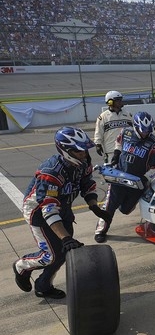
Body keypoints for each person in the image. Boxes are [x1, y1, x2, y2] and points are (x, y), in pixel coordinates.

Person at [12, 127, 112, 299]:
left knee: (64, 252)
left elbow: (87, 184)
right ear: (66, 151)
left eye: (84, 150)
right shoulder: (51, 172)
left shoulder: (83, 163)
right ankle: (22, 266)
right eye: (79, 151)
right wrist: (65, 238)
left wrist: (94, 206)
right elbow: (48, 208)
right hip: (39, 212)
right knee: (51, 255)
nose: (84, 154)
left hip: (63, 207)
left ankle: (43, 286)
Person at [94, 111, 155, 243]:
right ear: (135, 127)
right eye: (143, 131)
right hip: (119, 177)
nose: (145, 133)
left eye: (148, 131)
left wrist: (146, 178)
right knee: (109, 205)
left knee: (126, 210)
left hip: (137, 182)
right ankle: (101, 230)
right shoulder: (125, 132)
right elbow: (118, 143)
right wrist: (116, 154)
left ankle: (122, 203)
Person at [94, 90, 133, 163]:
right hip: (111, 151)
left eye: (120, 100)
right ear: (110, 102)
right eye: (117, 100)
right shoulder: (103, 117)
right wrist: (98, 144)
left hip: (127, 150)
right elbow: (98, 132)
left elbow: (133, 130)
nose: (120, 102)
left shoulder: (128, 115)